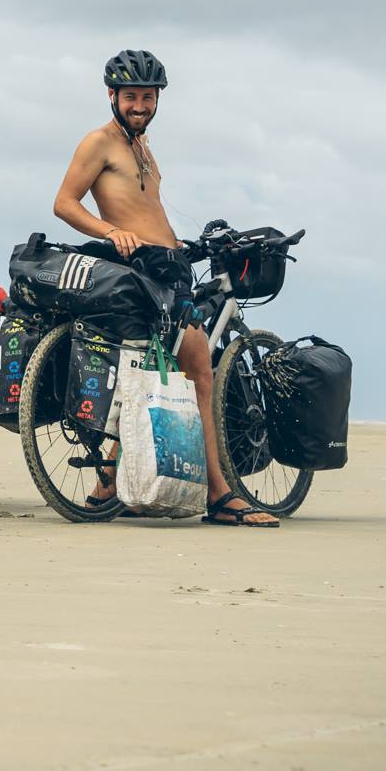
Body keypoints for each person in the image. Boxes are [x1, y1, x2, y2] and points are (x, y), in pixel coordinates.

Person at [52, 49, 279, 527]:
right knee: (198, 369)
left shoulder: (142, 145)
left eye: (148, 97)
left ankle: (108, 484)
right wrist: (110, 231)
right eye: (131, 96)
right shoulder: (99, 142)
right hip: (139, 268)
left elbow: (146, 208)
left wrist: (176, 243)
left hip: (166, 263)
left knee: (148, 374)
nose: (140, 105)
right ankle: (219, 494)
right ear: (112, 96)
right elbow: (64, 203)